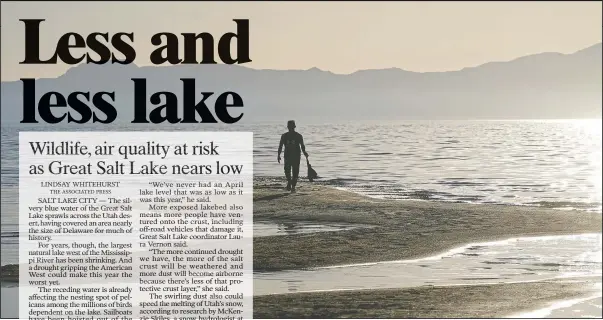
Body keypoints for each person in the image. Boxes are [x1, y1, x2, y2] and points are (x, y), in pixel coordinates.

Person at [277, 120, 308, 193]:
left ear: (293, 127)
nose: (290, 128)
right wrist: (278, 155)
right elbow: (280, 146)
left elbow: (302, 146)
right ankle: (290, 183)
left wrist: (305, 153)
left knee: (294, 171)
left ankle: (292, 185)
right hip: (290, 156)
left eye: (291, 127)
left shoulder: (297, 136)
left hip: (294, 156)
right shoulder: (285, 136)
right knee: (289, 171)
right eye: (290, 127)